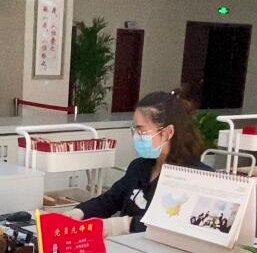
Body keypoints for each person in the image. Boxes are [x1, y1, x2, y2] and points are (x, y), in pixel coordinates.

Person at [69, 90, 212, 236]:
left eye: (141, 131)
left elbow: (171, 225)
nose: (137, 137)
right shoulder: (139, 167)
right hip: (125, 245)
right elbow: (110, 200)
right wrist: (79, 213)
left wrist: (122, 225)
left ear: (168, 132)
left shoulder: (194, 177)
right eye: (135, 130)